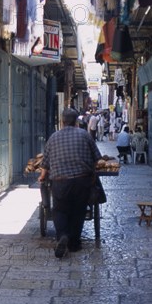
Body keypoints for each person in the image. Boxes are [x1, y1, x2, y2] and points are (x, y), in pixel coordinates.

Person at [38, 108, 102, 258]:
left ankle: (62, 236)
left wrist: (42, 177)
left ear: (62, 121)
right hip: (82, 180)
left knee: (59, 210)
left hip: (60, 182)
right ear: (76, 121)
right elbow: (96, 158)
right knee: (78, 211)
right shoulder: (85, 135)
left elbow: (45, 164)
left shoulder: (53, 138)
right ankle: (74, 243)